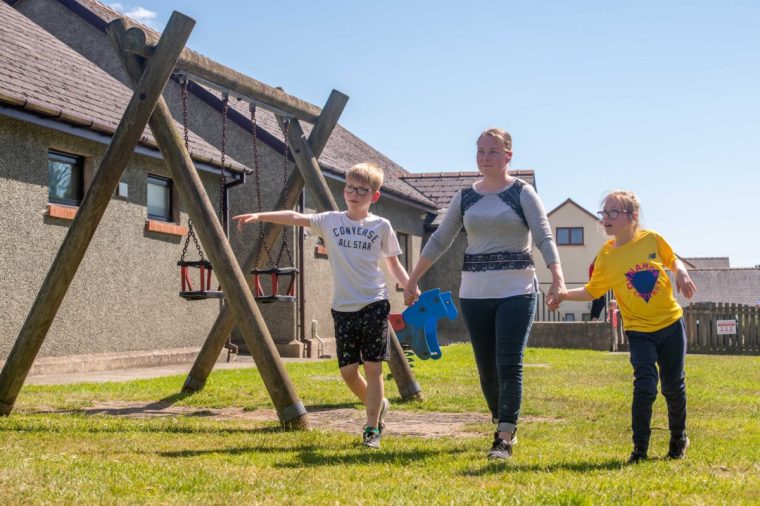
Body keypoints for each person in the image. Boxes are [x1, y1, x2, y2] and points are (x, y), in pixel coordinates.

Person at [404, 128, 566, 460]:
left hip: (516, 290)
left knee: (509, 363)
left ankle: (504, 434)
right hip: (475, 292)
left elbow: (544, 236)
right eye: (480, 151)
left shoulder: (522, 193)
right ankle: (502, 416)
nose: (485, 157)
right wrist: (412, 278)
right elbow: (440, 239)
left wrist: (557, 278)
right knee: (486, 367)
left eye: (492, 151)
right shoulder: (466, 197)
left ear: (509, 155)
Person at [233, 162, 412, 449]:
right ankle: (378, 406)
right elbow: (294, 215)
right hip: (343, 307)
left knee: (373, 368)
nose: (354, 194)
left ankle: (371, 428)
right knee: (348, 372)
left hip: (374, 303)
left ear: (374, 196)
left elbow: (393, 263)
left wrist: (409, 285)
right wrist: (260, 215)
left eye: (362, 190)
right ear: (345, 190)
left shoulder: (381, 226)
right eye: (350, 188)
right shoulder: (330, 221)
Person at [553, 190, 696, 464]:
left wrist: (681, 271)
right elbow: (593, 291)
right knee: (645, 386)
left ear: (632, 218)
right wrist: (563, 294)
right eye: (604, 212)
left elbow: (672, 260)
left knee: (672, 386)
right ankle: (639, 450)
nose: (606, 217)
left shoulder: (652, 239)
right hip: (639, 331)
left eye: (613, 212)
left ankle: (678, 439)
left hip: (670, 325)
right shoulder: (606, 256)